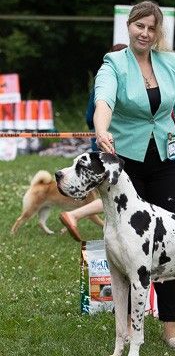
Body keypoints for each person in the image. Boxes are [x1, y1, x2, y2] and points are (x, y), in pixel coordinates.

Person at [93, 0, 175, 349]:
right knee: (128, 245)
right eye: (139, 26)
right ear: (129, 26)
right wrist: (101, 130)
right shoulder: (114, 63)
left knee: (171, 241)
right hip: (126, 163)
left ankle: (169, 325)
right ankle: (127, 325)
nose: (144, 33)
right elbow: (103, 102)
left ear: (158, 32)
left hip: (168, 162)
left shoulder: (172, 64)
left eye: (151, 28)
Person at [60, 44, 128, 240]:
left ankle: (110, 229)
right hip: (114, 147)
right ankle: (75, 215)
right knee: (115, 192)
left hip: (104, 145)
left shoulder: (104, 81)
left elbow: (90, 117)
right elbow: (92, 116)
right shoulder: (110, 81)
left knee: (112, 192)